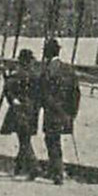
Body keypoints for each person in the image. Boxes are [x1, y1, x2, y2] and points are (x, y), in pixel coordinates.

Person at [36, 37, 82, 185]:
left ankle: (57, 173)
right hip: (65, 113)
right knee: (55, 141)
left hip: (52, 113)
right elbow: (76, 93)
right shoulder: (68, 69)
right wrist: (72, 114)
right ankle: (57, 170)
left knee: (52, 141)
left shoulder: (47, 70)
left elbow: (42, 92)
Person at [0, 48, 40, 178]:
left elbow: (8, 90)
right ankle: (19, 167)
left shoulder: (18, 75)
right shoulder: (35, 75)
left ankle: (34, 167)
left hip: (19, 110)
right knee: (25, 138)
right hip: (32, 110)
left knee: (23, 140)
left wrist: (6, 78)